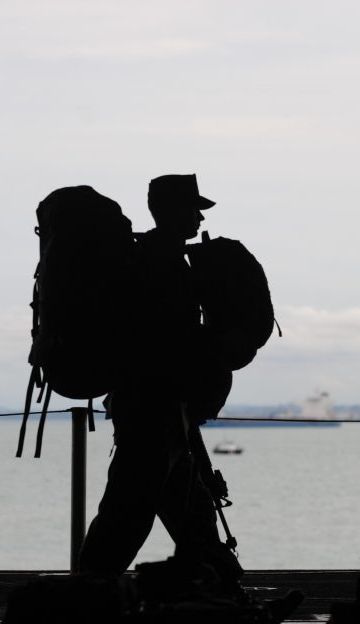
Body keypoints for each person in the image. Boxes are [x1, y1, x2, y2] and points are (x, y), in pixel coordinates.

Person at [78, 174, 245, 594]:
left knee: (193, 517)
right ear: (170, 211)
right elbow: (167, 340)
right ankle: (84, 601)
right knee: (127, 516)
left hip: (164, 412)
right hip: (154, 411)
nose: (198, 217)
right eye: (193, 208)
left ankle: (232, 598)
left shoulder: (159, 258)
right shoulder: (159, 263)